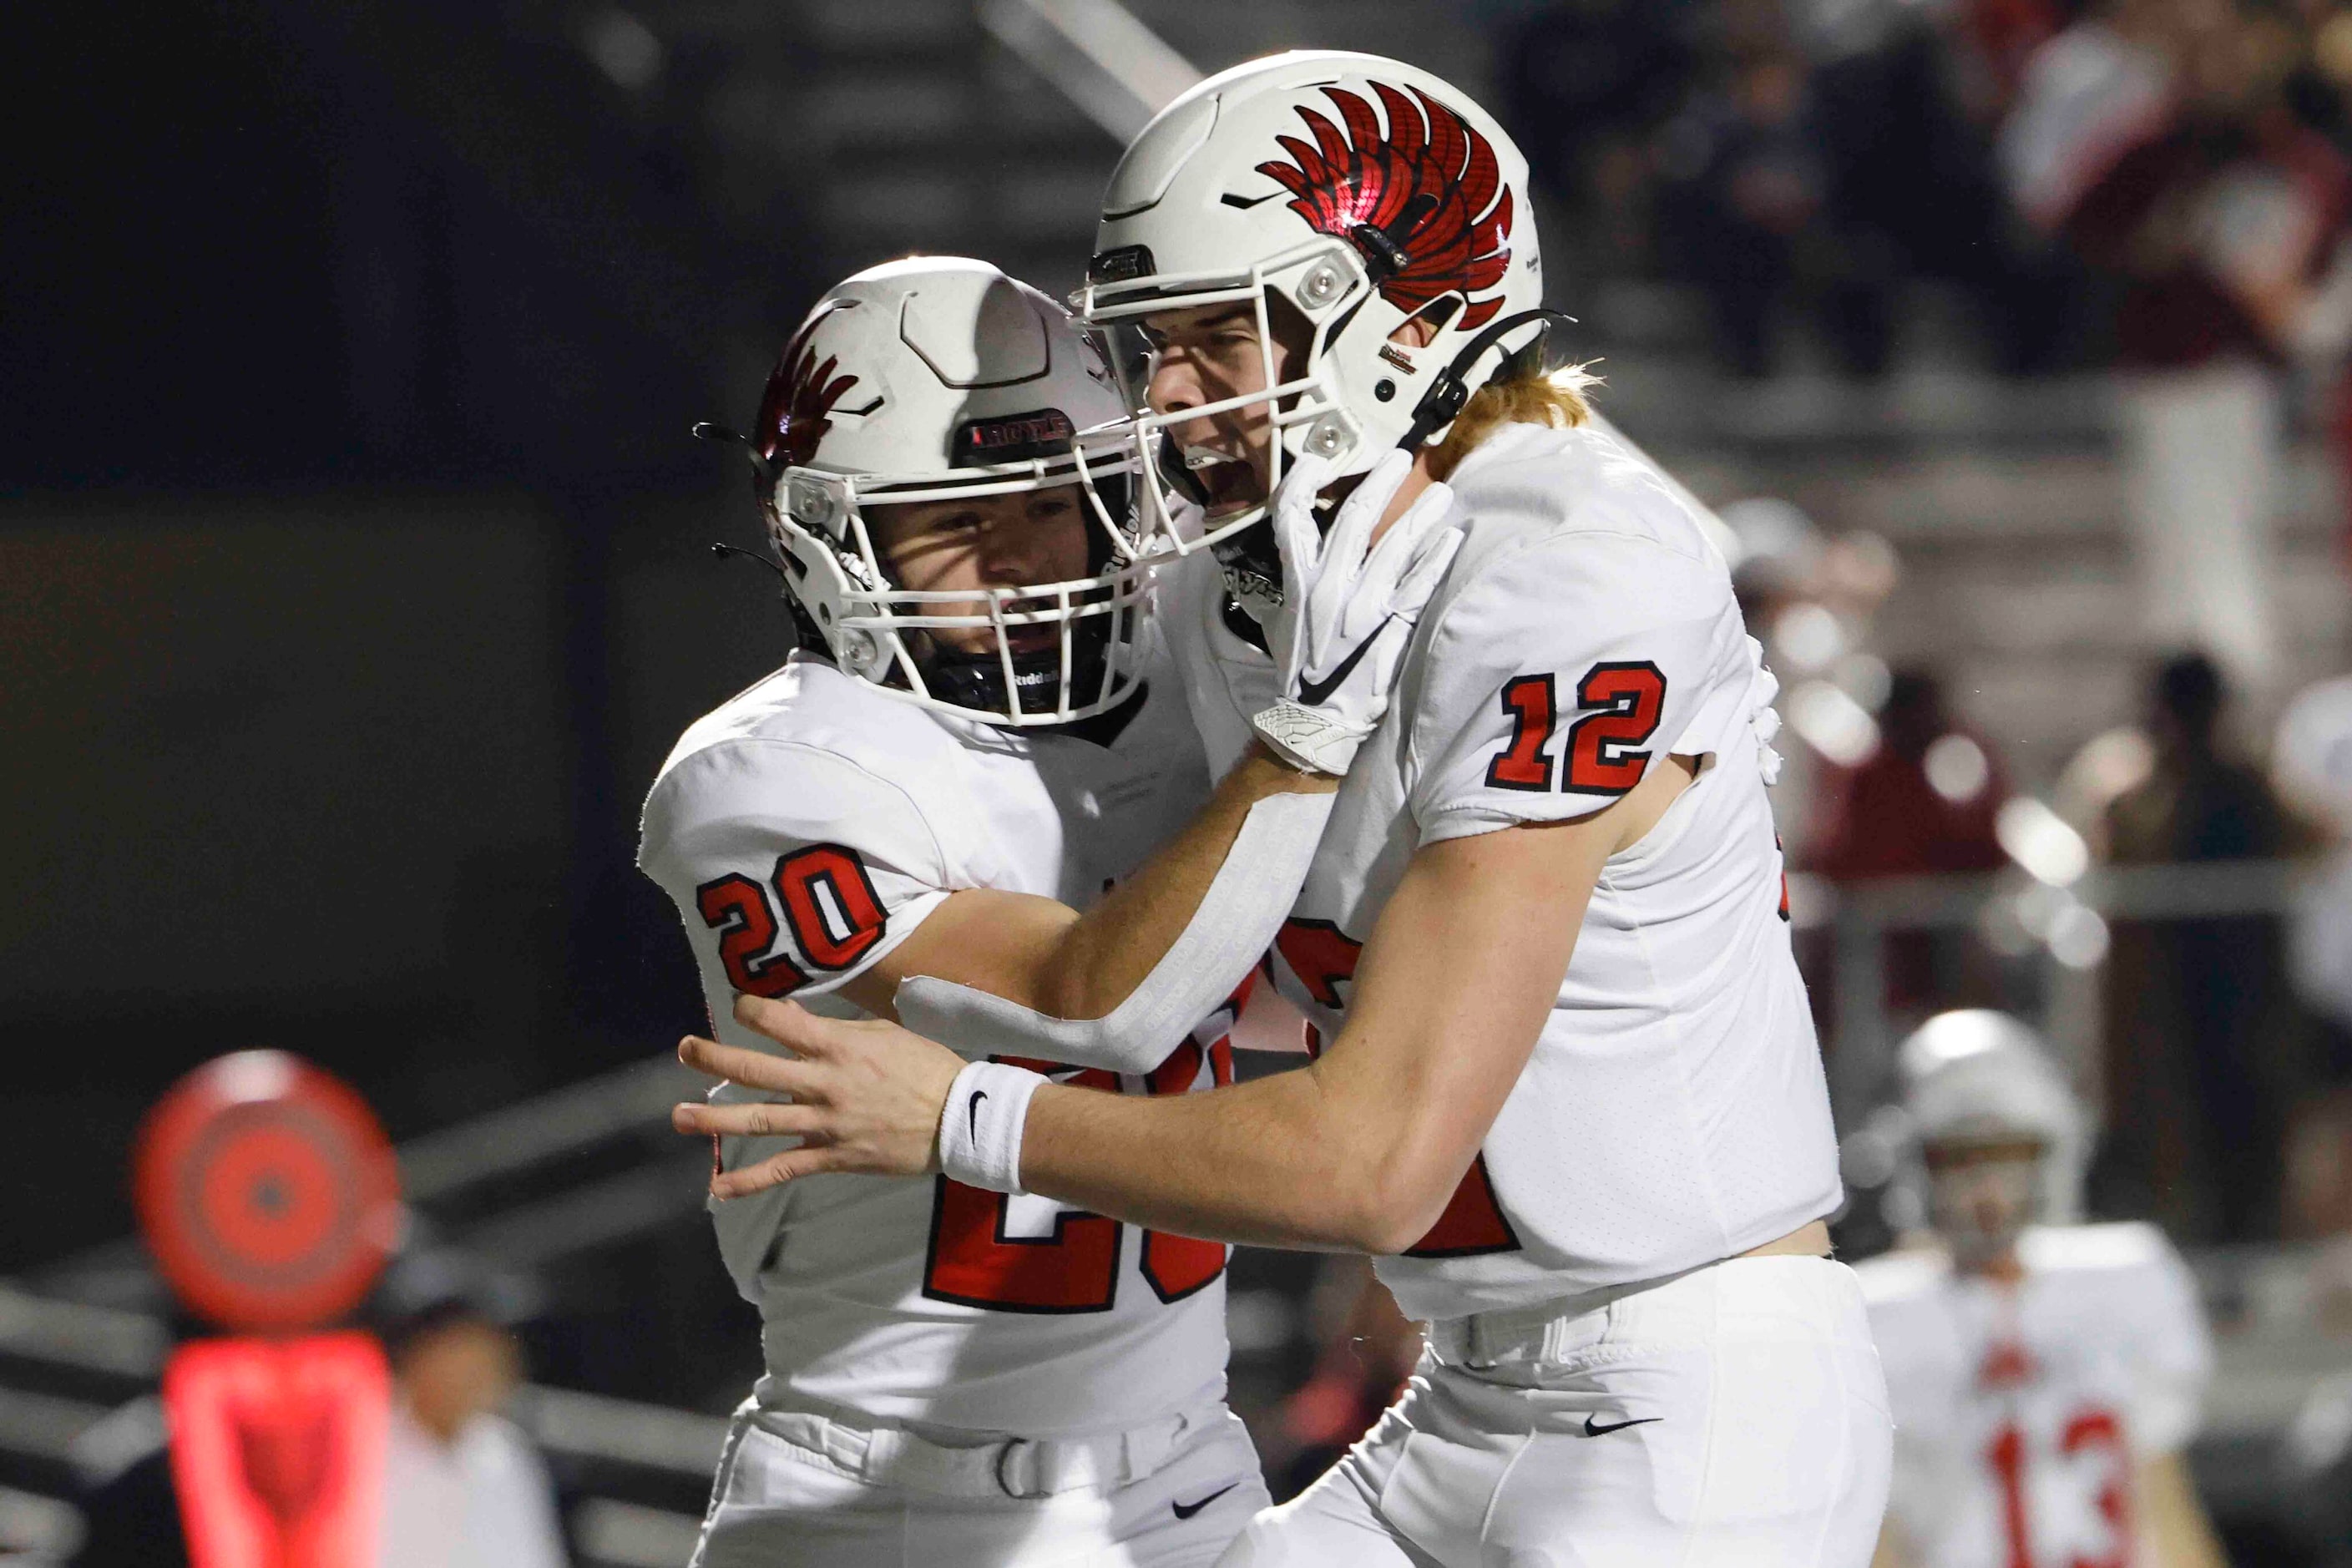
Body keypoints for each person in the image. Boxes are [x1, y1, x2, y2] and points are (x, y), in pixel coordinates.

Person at [671, 51, 1893, 1565]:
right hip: (1464, 1391)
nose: (1168, 395)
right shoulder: (1257, 584)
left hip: (1683, 1394)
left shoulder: (1566, 570)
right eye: (1147, 347)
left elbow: (1372, 1164)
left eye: (1209, 340)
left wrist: (962, 1114)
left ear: (1399, 309)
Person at [637, 256, 1282, 1566]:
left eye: (1055, 502)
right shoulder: (771, 776)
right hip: (893, 1498)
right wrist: (1317, 724)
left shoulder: (1199, 668)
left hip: (1192, 1467)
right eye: (950, 520)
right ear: (820, 538)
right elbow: (1087, 998)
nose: (1016, 556)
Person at [1858, 1010, 2227, 1568]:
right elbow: (1878, 1539)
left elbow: (2160, 1499)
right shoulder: (1875, 1318)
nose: (1985, 1189)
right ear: (1920, 1164)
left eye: (2007, 1153)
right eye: (1960, 1157)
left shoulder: (2128, 1277)